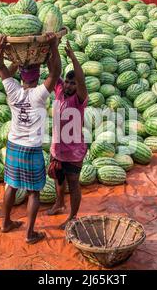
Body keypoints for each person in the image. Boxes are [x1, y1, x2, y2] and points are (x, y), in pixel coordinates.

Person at [0, 33, 61, 244]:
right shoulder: (40, 94)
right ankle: (30, 233)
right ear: (36, 75)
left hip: (14, 145)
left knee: (11, 186)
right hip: (31, 148)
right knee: (34, 192)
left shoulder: (13, 90)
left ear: (22, 76)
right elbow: (56, 72)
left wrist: (0, 47)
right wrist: (52, 46)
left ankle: (5, 223)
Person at [47, 41, 88, 230]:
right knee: (58, 178)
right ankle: (59, 203)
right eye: (68, 82)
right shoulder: (59, 91)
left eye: (73, 83)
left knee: (73, 184)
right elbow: (53, 69)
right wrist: (52, 48)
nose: (70, 85)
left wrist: (73, 58)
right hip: (57, 148)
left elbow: (81, 79)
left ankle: (72, 217)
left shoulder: (78, 99)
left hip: (74, 151)